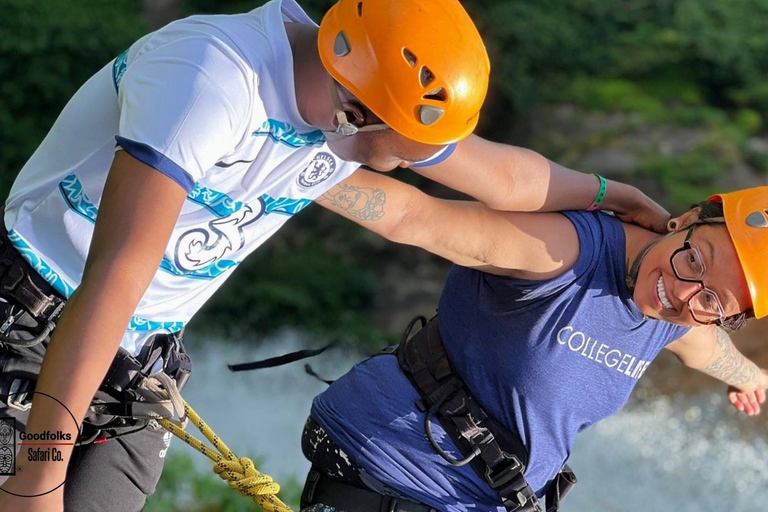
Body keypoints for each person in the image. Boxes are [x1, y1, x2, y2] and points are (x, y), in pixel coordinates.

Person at [0, 0, 670, 510]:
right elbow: (117, 276)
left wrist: (615, 192)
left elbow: (505, 179)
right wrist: (38, 472)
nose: (420, 164)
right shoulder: (211, 77)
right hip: (31, 320)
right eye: (409, 151)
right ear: (360, 106)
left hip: (136, 359)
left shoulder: (355, 104)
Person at [298, 171, 768, 512]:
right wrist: (284, 170)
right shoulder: (564, 251)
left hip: (477, 498)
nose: (684, 290)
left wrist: (752, 378)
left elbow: (710, 350)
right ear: (685, 220)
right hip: (392, 469)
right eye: (695, 260)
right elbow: (415, 219)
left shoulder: (678, 315)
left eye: (712, 300)